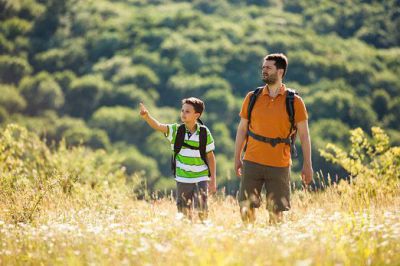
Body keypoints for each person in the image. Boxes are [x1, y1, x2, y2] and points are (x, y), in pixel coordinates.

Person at [234, 53, 313, 224]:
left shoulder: (295, 101)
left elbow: (305, 136)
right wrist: (237, 158)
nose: (264, 70)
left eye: (268, 68)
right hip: (252, 160)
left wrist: (308, 165)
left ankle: (272, 246)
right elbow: (242, 130)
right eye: (263, 67)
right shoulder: (252, 97)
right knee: (246, 208)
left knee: (276, 212)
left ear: (280, 71)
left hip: (279, 164)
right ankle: (249, 242)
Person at [140, 97, 216, 221]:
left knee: (202, 210)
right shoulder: (176, 131)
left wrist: (213, 180)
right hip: (182, 178)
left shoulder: (204, 132)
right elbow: (158, 126)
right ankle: (186, 233)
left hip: (201, 177)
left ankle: (201, 233)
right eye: (182, 111)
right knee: (183, 212)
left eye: (187, 111)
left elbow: (210, 157)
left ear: (196, 115)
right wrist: (147, 117)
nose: (183, 114)